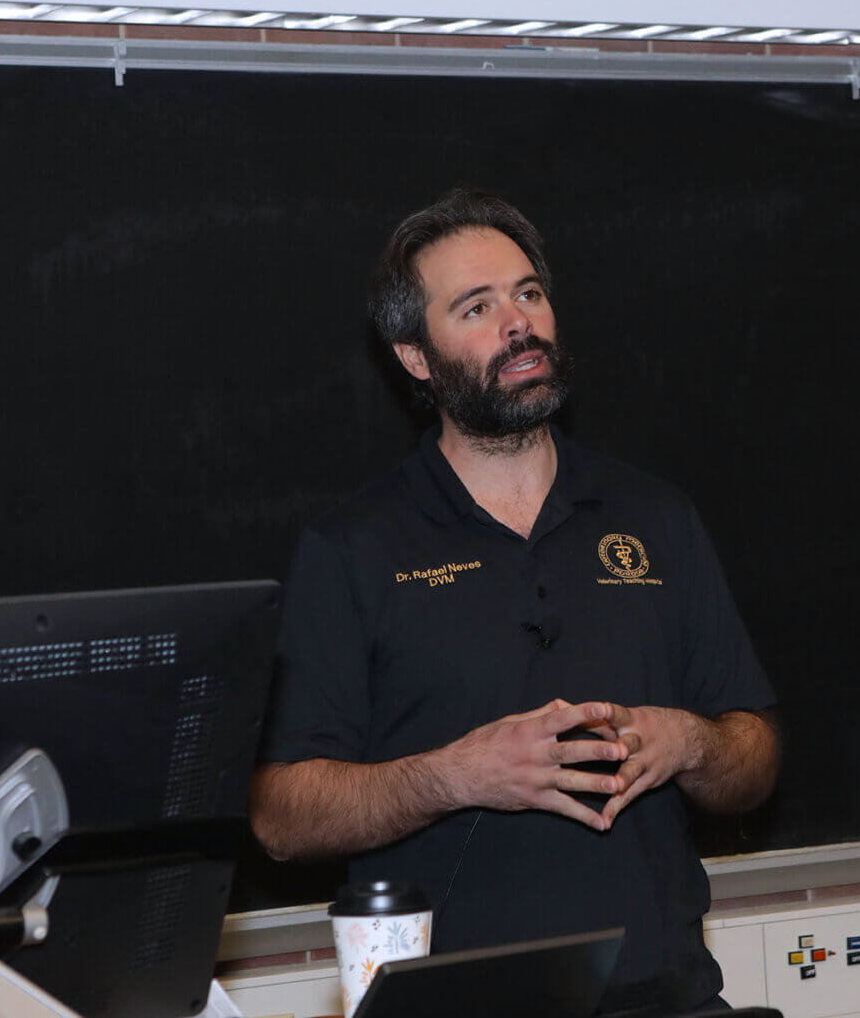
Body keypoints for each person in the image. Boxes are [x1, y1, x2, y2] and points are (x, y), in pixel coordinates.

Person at [250, 189, 779, 1015]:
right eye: (477, 306)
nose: (518, 322)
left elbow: (755, 756)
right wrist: (454, 777)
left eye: (529, 293)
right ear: (415, 356)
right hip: (454, 1005)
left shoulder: (656, 518)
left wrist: (692, 743)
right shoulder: (353, 549)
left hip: (663, 994)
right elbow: (281, 818)